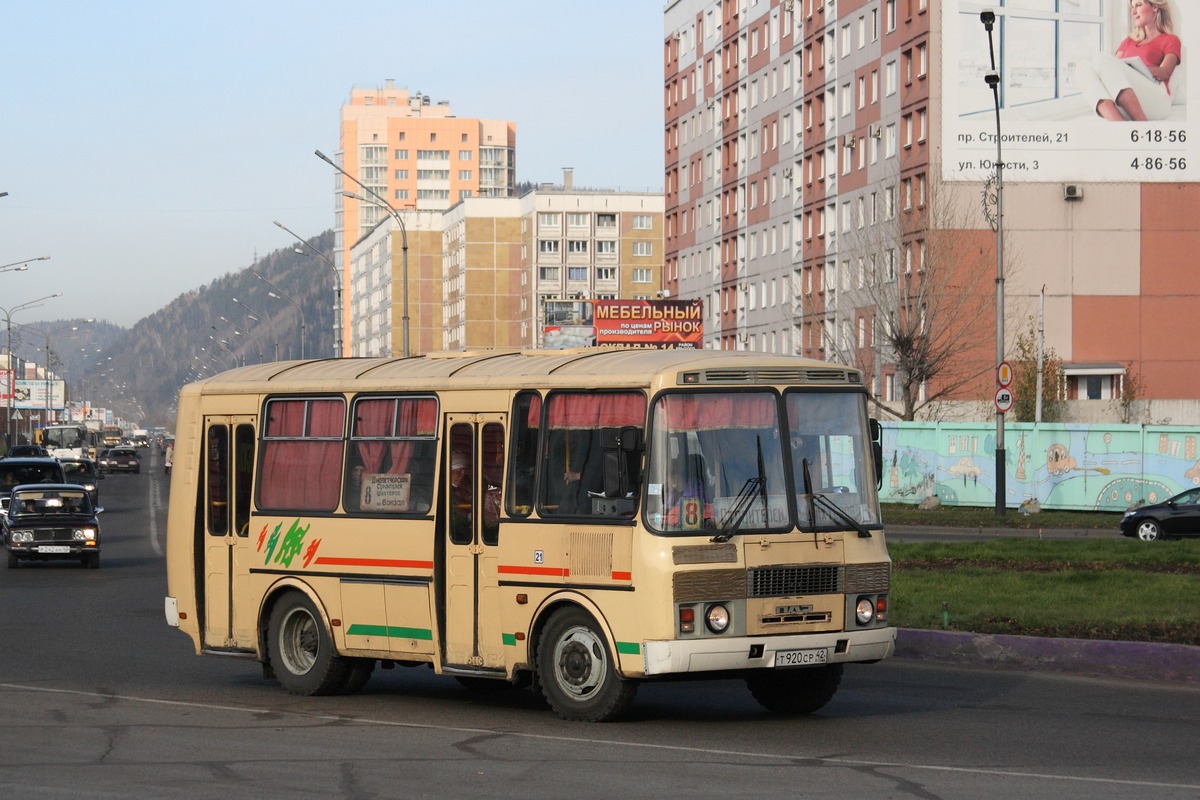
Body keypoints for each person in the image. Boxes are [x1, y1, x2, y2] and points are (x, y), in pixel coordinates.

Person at [1079, 0, 1181, 122]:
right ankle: (1121, 127)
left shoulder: (1170, 40)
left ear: (1154, 7)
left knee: (1102, 58)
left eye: (1138, 5)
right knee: (1082, 67)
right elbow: (1112, 71)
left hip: (1157, 101)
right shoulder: (1128, 41)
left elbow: (1164, 72)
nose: (1133, 12)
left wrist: (1133, 69)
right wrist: (1125, 69)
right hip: (1125, 101)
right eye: (1132, 7)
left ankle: (1142, 125)